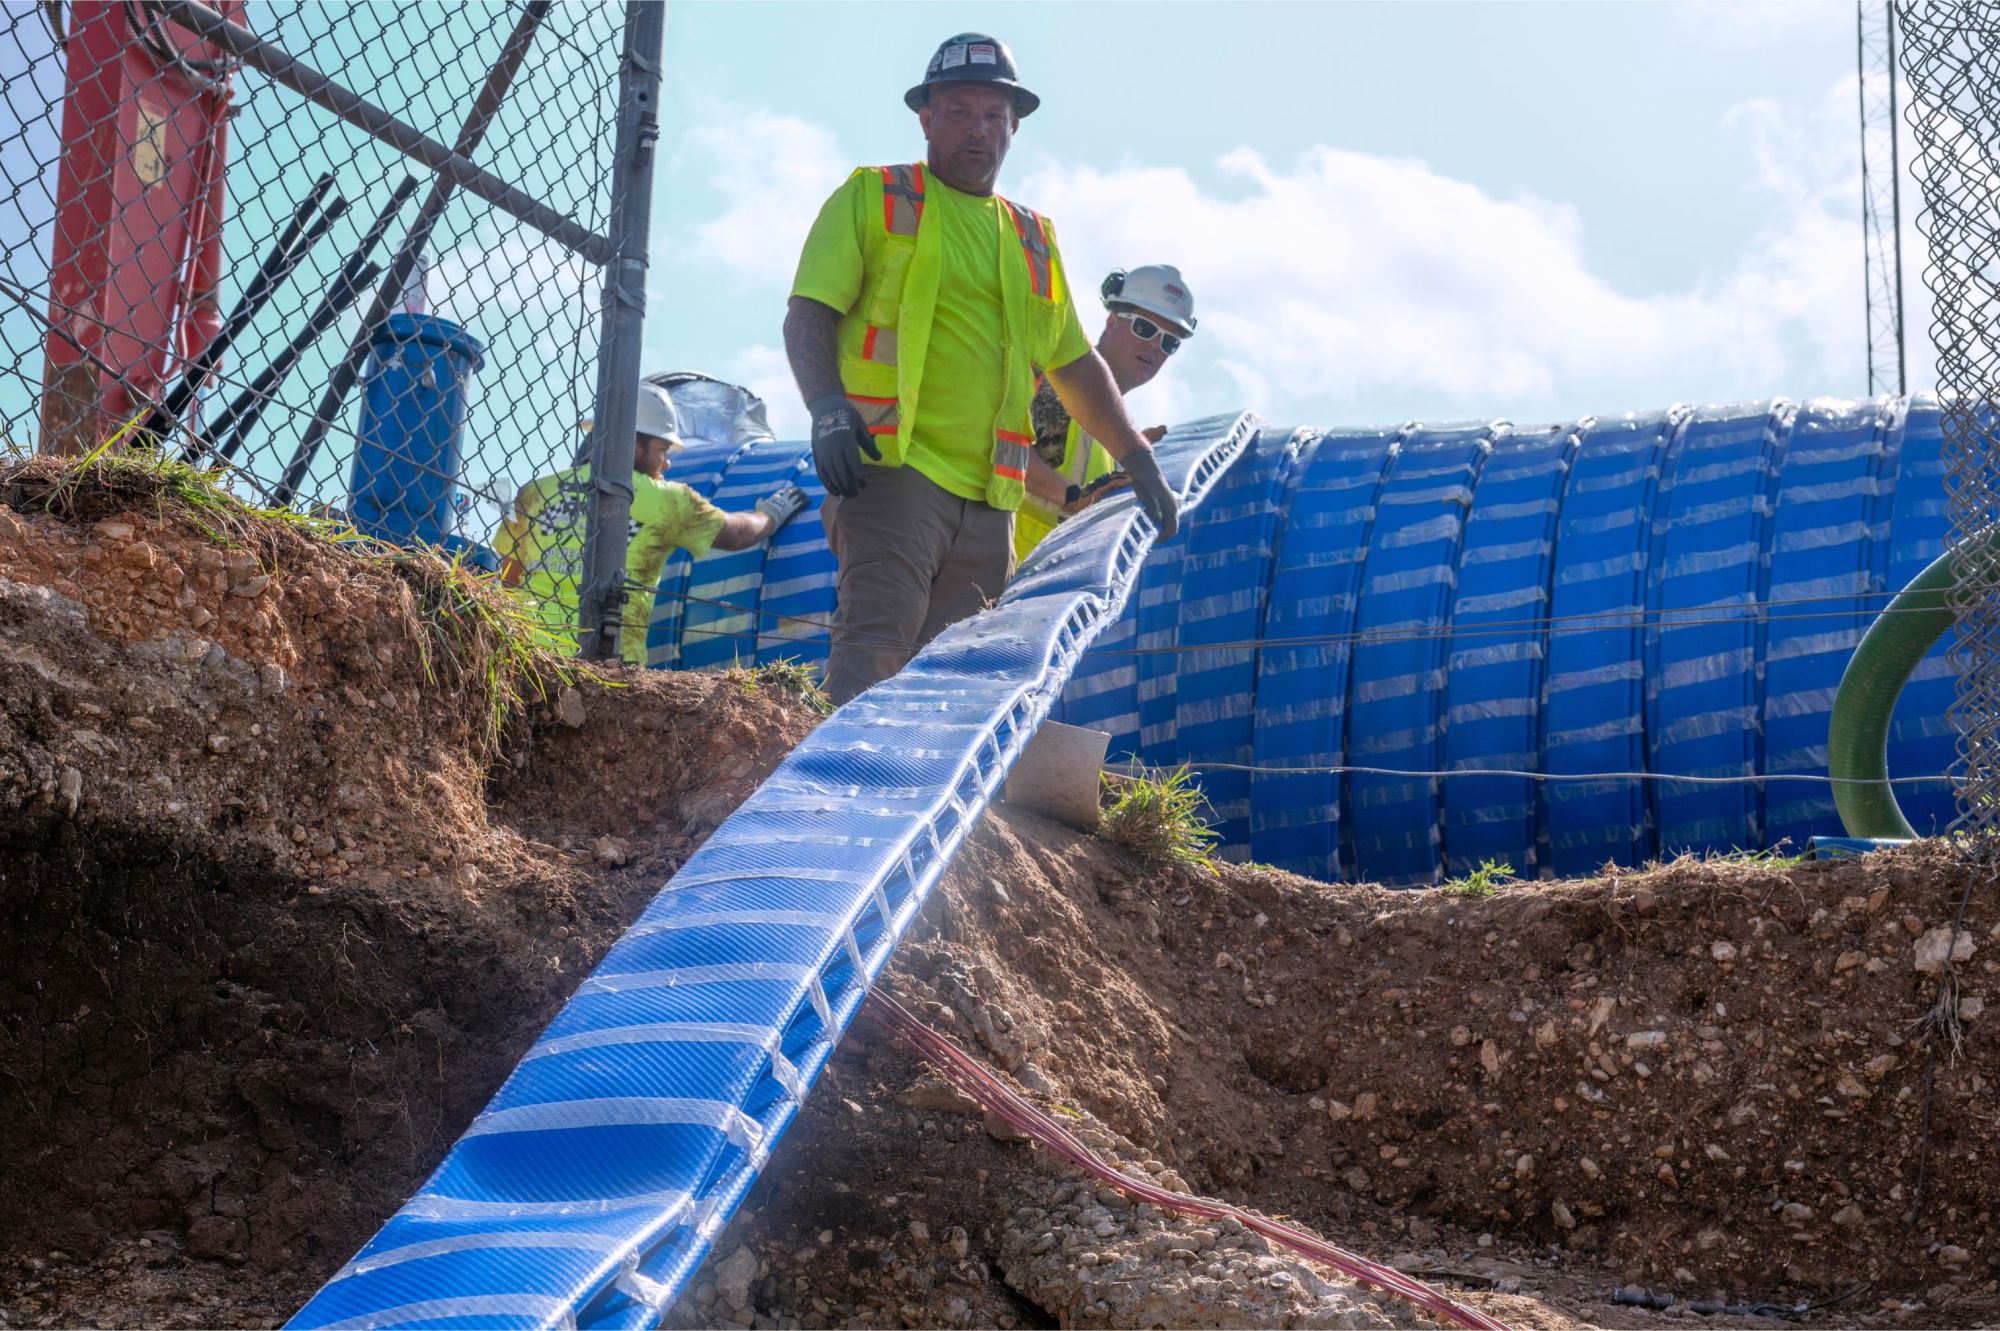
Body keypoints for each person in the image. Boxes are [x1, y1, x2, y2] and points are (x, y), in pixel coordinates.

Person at [783, 32, 1180, 707]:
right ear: (927, 118)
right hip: (894, 471)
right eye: (961, 111)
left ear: (1015, 127)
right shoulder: (875, 197)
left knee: (950, 690)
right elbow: (808, 313)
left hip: (990, 503)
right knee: (874, 650)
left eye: (995, 116)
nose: (979, 130)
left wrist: (1135, 454)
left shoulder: (1031, 238)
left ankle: (926, 811)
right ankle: (830, 804)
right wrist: (826, 406)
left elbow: (1075, 362)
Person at [495, 382, 806, 664]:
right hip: (609, 663)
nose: (668, 463)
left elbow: (507, 578)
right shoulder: (669, 500)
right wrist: (771, 513)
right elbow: (736, 535)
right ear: (633, 445)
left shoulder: (537, 491)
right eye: (663, 449)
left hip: (525, 654)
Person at [1016, 264, 1198, 563]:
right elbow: (1003, 448)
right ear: (1112, 321)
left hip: (1042, 592)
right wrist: (1072, 497)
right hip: (996, 579)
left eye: (1169, 342)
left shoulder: (1117, 439)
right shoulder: (1061, 385)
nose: (1155, 345)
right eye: (1145, 328)